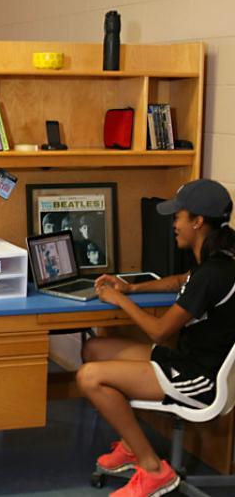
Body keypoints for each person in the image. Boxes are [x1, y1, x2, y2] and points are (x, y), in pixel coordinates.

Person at [77, 179, 235, 497]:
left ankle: (152, 469)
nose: (174, 224)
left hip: (200, 378)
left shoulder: (212, 274)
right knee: (95, 349)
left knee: (89, 377)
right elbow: (180, 280)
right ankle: (131, 446)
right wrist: (131, 287)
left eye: (178, 216)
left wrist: (119, 300)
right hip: (188, 361)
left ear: (197, 221)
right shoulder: (220, 260)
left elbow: (160, 331)